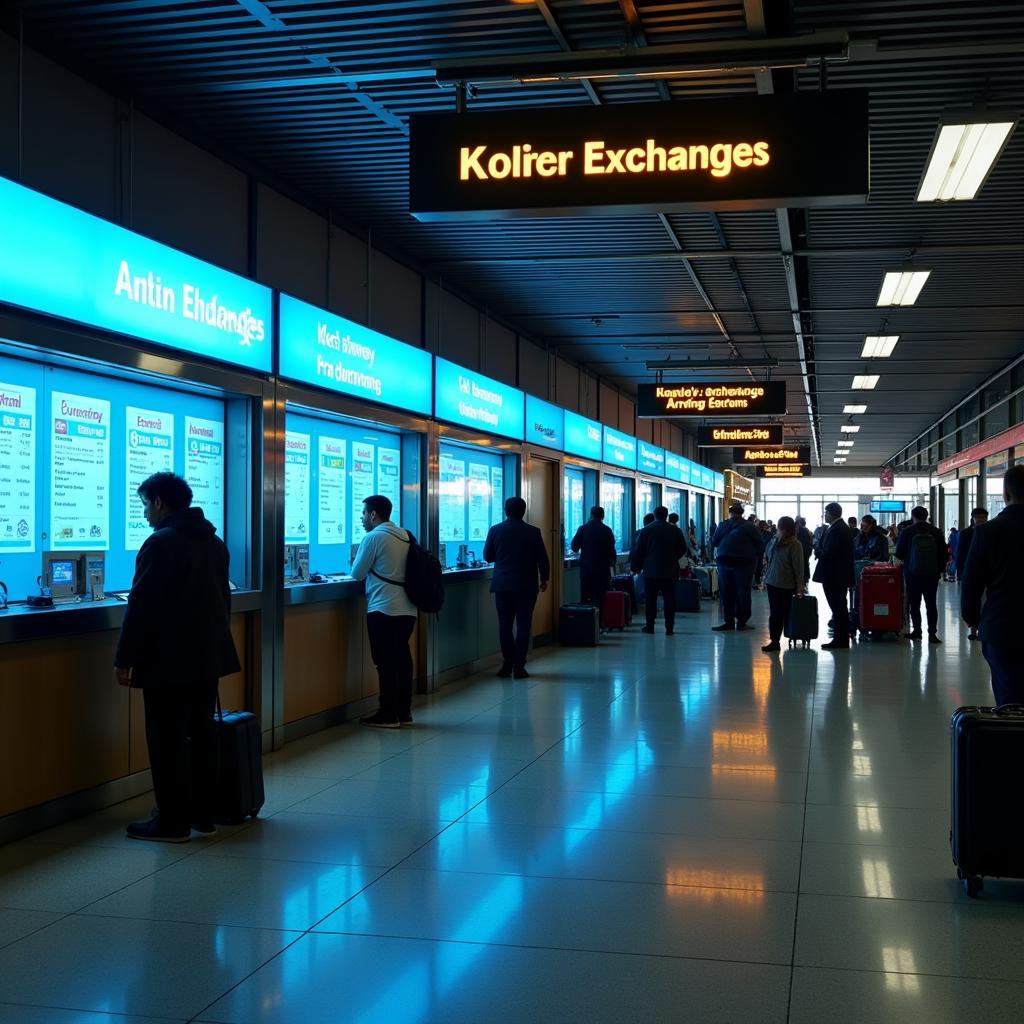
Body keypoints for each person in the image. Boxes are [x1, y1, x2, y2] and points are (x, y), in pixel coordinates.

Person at [114, 472, 239, 843]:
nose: (144, 515)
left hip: (167, 661)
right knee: (201, 734)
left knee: (166, 740)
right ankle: (202, 814)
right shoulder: (214, 542)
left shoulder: (160, 543)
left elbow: (141, 606)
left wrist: (125, 657)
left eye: (144, 505)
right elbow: (223, 601)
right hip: (206, 657)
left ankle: (172, 822)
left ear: (158, 502)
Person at [350, 494, 418, 728]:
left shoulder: (373, 537)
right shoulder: (406, 536)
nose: (361, 518)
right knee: (402, 659)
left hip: (383, 609)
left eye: (363, 513)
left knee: (385, 663)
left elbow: (357, 573)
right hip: (408, 609)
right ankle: (404, 711)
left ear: (373, 514)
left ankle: (388, 714)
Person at [961, 467, 1024, 705]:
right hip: (1002, 627)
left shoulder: (988, 531)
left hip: (1003, 627)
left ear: (1005, 494)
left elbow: (972, 581)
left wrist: (972, 618)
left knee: (1010, 702)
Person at [483, 496, 550, 679]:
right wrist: (544, 578)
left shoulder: (496, 530)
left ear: (506, 510)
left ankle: (507, 663)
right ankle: (519, 666)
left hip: (503, 585)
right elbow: (542, 558)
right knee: (524, 624)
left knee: (504, 624)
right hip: (526, 586)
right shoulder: (533, 532)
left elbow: (488, 556)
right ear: (524, 511)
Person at [894, 505, 947, 643]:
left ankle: (917, 630)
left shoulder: (907, 531)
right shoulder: (936, 531)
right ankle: (932, 634)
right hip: (931, 574)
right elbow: (944, 553)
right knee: (931, 603)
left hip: (912, 574)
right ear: (926, 516)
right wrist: (939, 570)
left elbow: (899, 553)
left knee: (914, 603)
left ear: (913, 517)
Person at [630, 505, 685, 635]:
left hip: (651, 571)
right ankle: (669, 628)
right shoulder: (675, 531)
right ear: (666, 516)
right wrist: (672, 558)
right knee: (670, 599)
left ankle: (650, 626)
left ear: (654, 515)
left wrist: (636, 567)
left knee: (651, 600)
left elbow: (639, 551)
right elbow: (683, 549)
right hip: (670, 571)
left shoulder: (646, 530)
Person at [711, 503, 763, 631]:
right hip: (744, 564)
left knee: (726, 592)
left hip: (724, 563)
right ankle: (742, 622)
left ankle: (728, 622)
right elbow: (760, 544)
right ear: (742, 513)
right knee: (743, 592)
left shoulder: (723, 525)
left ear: (730, 512)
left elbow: (714, 542)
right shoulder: (750, 527)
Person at [813, 502, 855, 650]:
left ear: (832, 513)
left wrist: (818, 552)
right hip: (838, 575)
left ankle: (840, 640)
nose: (825, 515)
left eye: (826, 513)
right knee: (839, 607)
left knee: (838, 608)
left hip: (834, 575)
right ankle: (840, 638)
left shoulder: (837, 529)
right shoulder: (840, 528)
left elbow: (829, 553)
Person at [761, 516, 805, 653]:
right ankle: (775, 640)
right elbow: (767, 559)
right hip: (774, 582)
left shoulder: (794, 544)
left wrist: (800, 586)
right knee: (776, 613)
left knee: (780, 613)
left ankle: (779, 639)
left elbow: (799, 567)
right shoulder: (774, 541)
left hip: (785, 584)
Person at [571, 505, 617, 606]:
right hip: (603, 569)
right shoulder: (607, 530)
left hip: (587, 568)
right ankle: (599, 620)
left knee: (586, 596)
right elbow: (612, 550)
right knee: (601, 597)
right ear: (603, 516)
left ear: (591, 515)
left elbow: (574, 547)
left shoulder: (583, 528)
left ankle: (587, 619)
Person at [955, 508, 988, 640]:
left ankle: (983, 628)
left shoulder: (991, 531)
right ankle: (974, 629)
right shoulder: (966, 534)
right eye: (978, 517)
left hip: (987, 573)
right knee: (972, 602)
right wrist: (960, 571)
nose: (981, 520)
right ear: (973, 518)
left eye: (984, 517)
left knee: (985, 601)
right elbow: (960, 553)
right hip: (970, 573)